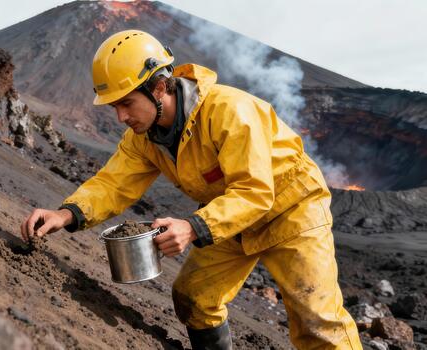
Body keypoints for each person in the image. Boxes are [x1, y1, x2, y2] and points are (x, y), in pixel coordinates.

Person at [20, 29, 361, 350]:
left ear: (159, 87)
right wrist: (66, 214)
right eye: (114, 107)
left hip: (292, 211)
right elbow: (114, 183)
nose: (121, 117)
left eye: (126, 103)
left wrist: (193, 227)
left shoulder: (230, 112)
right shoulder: (144, 138)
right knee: (194, 298)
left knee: (317, 321)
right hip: (228, 217)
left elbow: (255, 192)